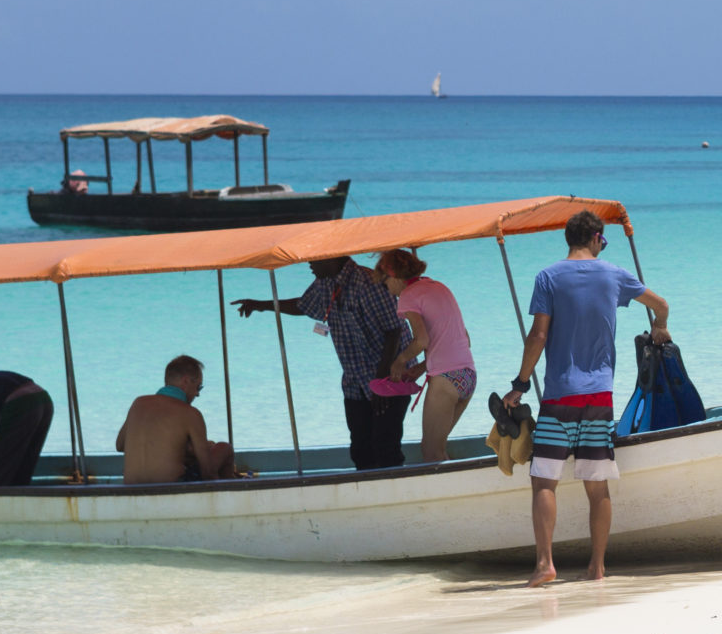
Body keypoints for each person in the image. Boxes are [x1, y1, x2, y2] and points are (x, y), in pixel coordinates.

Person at [500, 209, 671, 585]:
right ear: (596, 238)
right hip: (598, 397)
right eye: (603, 241)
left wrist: (520, 384)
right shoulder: (615, 275)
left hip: (559, 397)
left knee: (544, 480)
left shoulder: (547, 277)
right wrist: (660, 328)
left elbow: (538, 336)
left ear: (569, 239)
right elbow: (661, 305)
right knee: (597, 486)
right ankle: (597, 567)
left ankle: (545, 564)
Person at [234, 256, 413, 469]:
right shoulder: (326, 282)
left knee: (386, 447)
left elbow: (394, 331)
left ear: (332, 259)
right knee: (360, 449)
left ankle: (393, 488)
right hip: (355, 380)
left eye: (314, 259)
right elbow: (303, 305)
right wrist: (262, 305)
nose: (309, 264)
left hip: (388, 377)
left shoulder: (368, 283)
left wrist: (380, 382)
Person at [376, 248, 477, 463]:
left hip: (445, 380)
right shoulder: (438, 286)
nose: (387, 290)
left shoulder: (408, 295)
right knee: (436, 449)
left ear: (393, 276)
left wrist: (399, 362)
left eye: (384, 283)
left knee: (431, 452)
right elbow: (463, 338)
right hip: (467, 376)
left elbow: (421, 340)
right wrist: (422, 367)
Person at [115, 355, 240, 484]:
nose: (197, 394)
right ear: (186, 381)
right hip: (172, 487)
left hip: (131, 487)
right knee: (224, 448)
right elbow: (207, 471)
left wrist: (179, 448)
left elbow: (120, 445)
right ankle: (231, 489)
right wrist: (193, 451)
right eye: (198, 387)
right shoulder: (191, 413)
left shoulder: (138, 403)